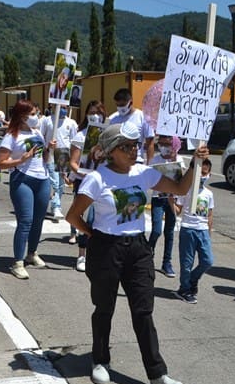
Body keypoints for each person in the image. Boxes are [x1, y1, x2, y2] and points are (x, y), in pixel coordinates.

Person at [65, 122, 209, 384]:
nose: (134, 151)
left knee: (143, 310)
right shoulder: (97, 178)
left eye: (135, 146)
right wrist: (92, 234)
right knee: (104, 308)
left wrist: (195, 164)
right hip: (107, 250)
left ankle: (157, 374)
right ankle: (100, 361)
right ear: (111, 151)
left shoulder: (144, 173)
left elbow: (179, 189)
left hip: (138, 250)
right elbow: (73, 216)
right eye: (126, 147)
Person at [0, 99, 57, 279]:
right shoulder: (11, 136)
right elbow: (1, 163)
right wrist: (20, 160)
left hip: (42, 178)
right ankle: (17, 262)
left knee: (38, 220)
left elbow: (44, 158)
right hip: (22, 178)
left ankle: (32, 253)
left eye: (36, 113)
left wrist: (49, 149)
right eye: (32, 114)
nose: (36, 117)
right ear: (22, 116)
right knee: (25, 221)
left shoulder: (37, 132)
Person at [68, 100, 106, 270]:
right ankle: (82, 255)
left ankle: (97, 253)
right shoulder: (80, 135)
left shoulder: (108, 135)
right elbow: (73, 163)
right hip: (84, 181)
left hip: (104, 183)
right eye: (91, 112)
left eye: (97, 112)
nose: (94, 115)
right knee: (84, 218)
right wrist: (84, 173)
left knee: (99, 219)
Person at [172, 158, 214, 304]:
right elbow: (178, 210)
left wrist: (209, 233)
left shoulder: (209, 194)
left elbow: (209, 214)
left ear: (209, 174)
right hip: (188, 229)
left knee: (208, 261)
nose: (202, 176)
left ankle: (192, 280)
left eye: (205, 173)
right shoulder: (186, 190)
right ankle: (184, 289)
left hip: (202, 231)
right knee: (187, 263)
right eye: (199, 173)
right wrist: (171, 200)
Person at [147, 135, 185, 278]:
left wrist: (174, 161)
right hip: (158, 198)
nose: (164, 147)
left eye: (167, 144)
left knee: (169, 232)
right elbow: (150, 179)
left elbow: (182, 180)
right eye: (161, 144)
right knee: (156, 230)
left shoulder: (179, 159)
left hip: (172, 200)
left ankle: (166, 263)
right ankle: (148, 254)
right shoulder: (156, 160)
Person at [43, 106, 78, 222]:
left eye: (65, 107)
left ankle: (53, 205)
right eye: (61, 107)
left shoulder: (71, 123)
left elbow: (74, 141)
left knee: (61, 183)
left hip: (64, 154)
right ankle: (56, 207)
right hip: (51, 154)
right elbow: (41, 137)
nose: (64, 109)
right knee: (55, 182)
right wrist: (47, 147)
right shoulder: (47, 120)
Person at [108, 88, 154, 163]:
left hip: (136, 161)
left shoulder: (143, 117)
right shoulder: (112, 119)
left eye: (122, 105)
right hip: (117, 162)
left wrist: (150, 165)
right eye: (117, 105)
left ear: (131, 102)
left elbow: (150, 144)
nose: (120, 108)